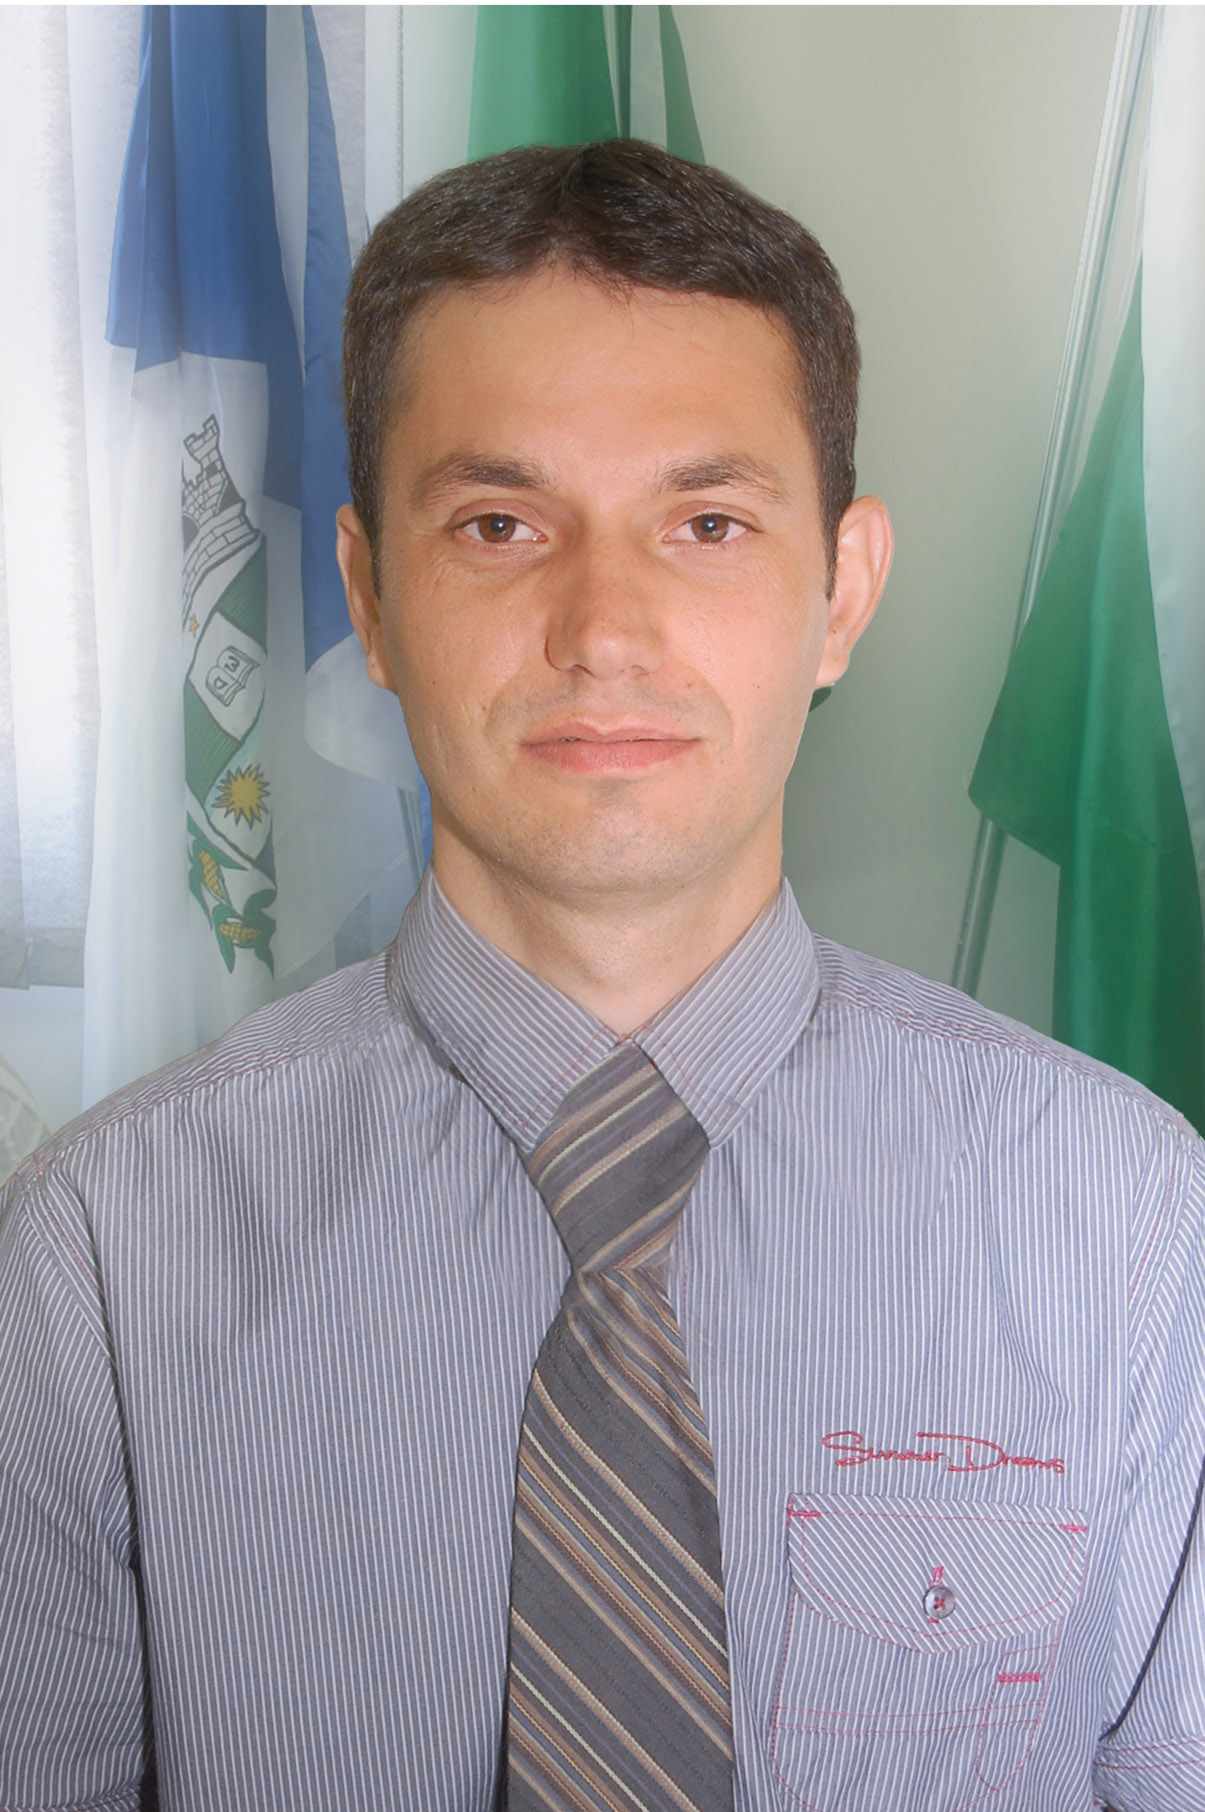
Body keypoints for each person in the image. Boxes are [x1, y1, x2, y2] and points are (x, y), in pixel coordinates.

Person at [1, 140, 1203, 1812]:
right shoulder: (96, 1258)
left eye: (706, 523)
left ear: (841, 591)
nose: (605, 629)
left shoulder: (1133, 1225)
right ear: (369, 595)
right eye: (498, 524)